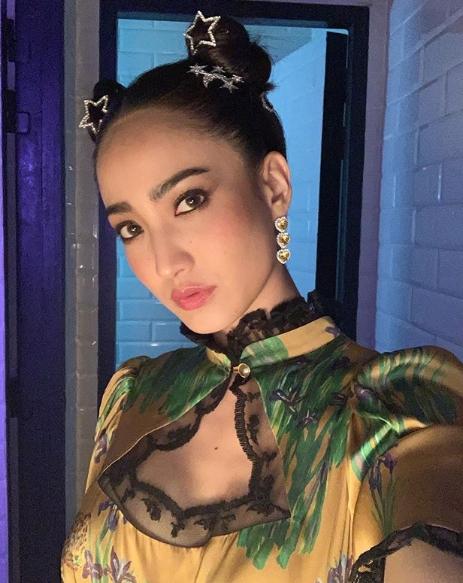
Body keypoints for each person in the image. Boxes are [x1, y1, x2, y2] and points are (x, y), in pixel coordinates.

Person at [61, 11, 463, 583]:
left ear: (273, 186)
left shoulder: (395, 407)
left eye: (189, 200)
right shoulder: (129, 394)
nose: (164, 262)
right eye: (131, 228)